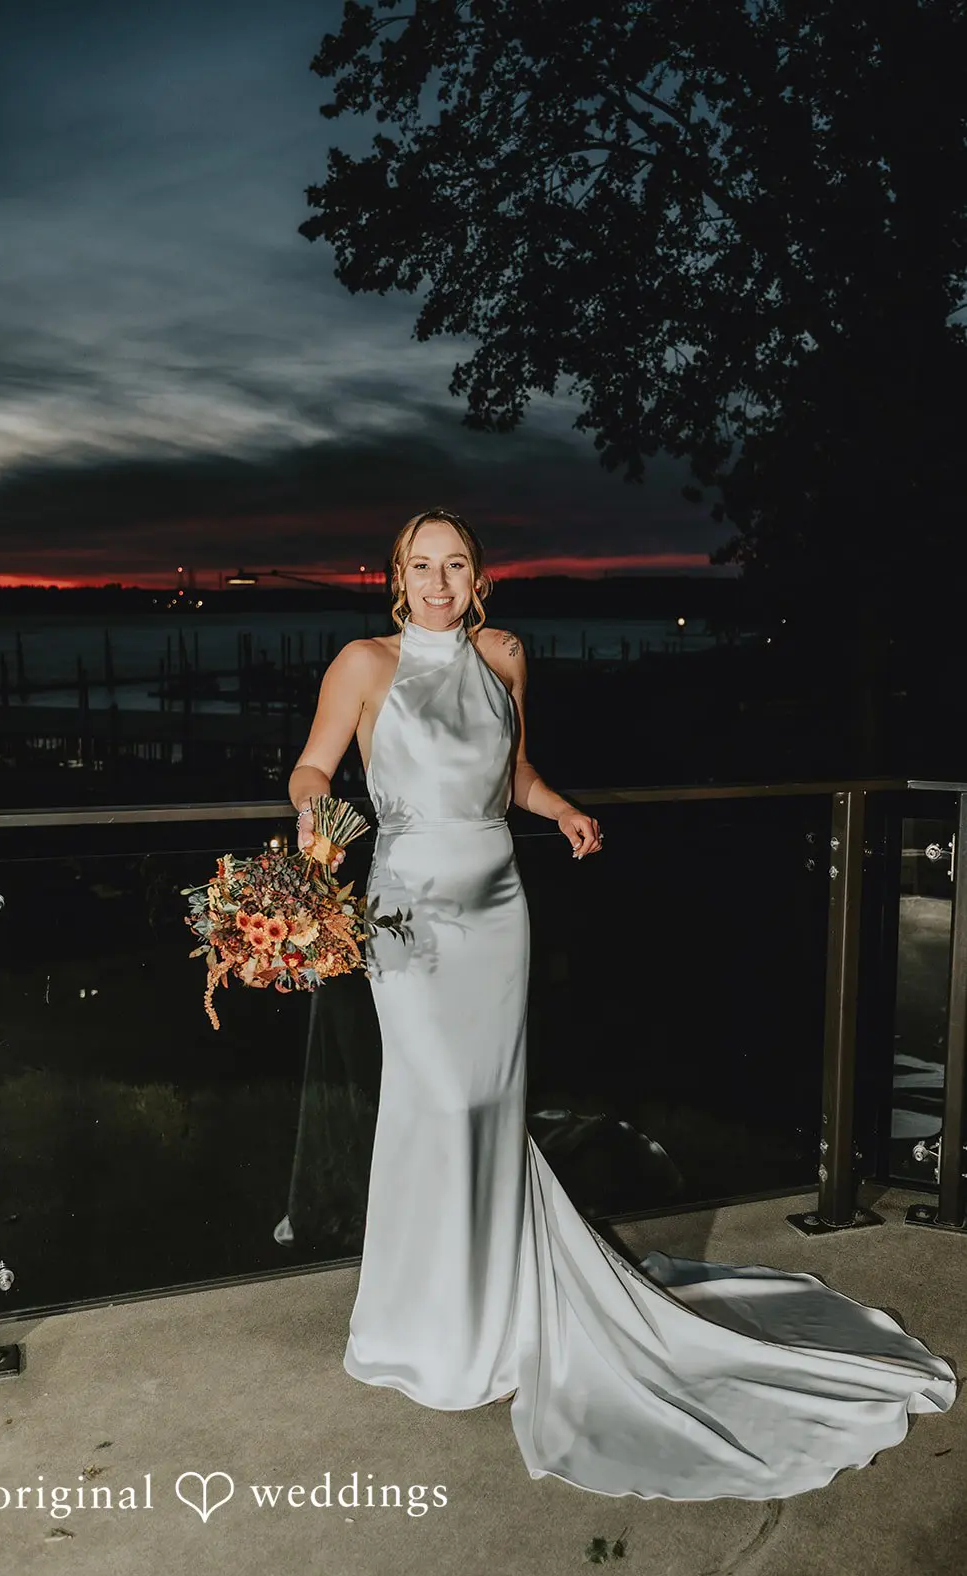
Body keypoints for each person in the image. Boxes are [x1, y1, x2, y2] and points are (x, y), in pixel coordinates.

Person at [287, 508, 956, 1501]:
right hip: (408, 917)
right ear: (396, 574)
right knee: (438, 1105)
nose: (437, 582)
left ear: (481, 578)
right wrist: (313, 817)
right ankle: (421, 1327)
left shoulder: (507, 655)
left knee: (491, 1109)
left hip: (498, 908)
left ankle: (487, 1310)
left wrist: (561, 811)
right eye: (420, 566)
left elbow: (508, 774)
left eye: (455, 565)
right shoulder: (362, 662)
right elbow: (314, 765)